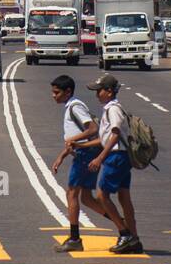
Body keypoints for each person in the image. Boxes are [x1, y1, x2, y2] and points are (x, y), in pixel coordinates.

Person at [48, 75, 107, 251]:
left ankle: (74, 239)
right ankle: (121, 223)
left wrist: (73, 140)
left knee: (71, 194)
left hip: (84, 154)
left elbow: (92, 129)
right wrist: (62, 155)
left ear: (68, 92)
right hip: (85, 152)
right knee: (87, 198)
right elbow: (77, 138)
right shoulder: (72, 107)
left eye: (56, 92)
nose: (53, 96)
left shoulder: (75, 107)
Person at [86, 74, 141, 254]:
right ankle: (134, 238)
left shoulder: (113, 109)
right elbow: (105, 137)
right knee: (124, 197)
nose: (97, 95)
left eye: (99, 91)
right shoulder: (111, 108)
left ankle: (124, 233)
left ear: (109, 92)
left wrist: (100, 158)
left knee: (102, 195)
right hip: (121, 156)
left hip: (115, 156)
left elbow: (115, 134)